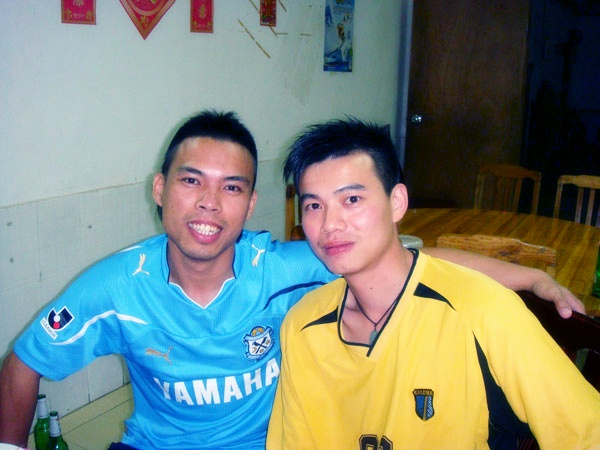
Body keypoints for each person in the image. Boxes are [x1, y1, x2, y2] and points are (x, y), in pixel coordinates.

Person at [0, 111, 586, 450]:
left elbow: (418, 259)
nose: (209, 203)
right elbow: (24, 362)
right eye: (191, 181)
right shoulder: (117, 286)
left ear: (251, 203)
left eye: (231, 187)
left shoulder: (284, 269)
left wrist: (531, 278)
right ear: (160, 189)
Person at [267, 118, 600, 449]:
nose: (330, 224)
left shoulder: (482, 313)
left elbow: (586, 434)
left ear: (397, 202)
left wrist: (535, 277)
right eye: (314, 205)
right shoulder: (303, 325)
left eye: (352, 200)